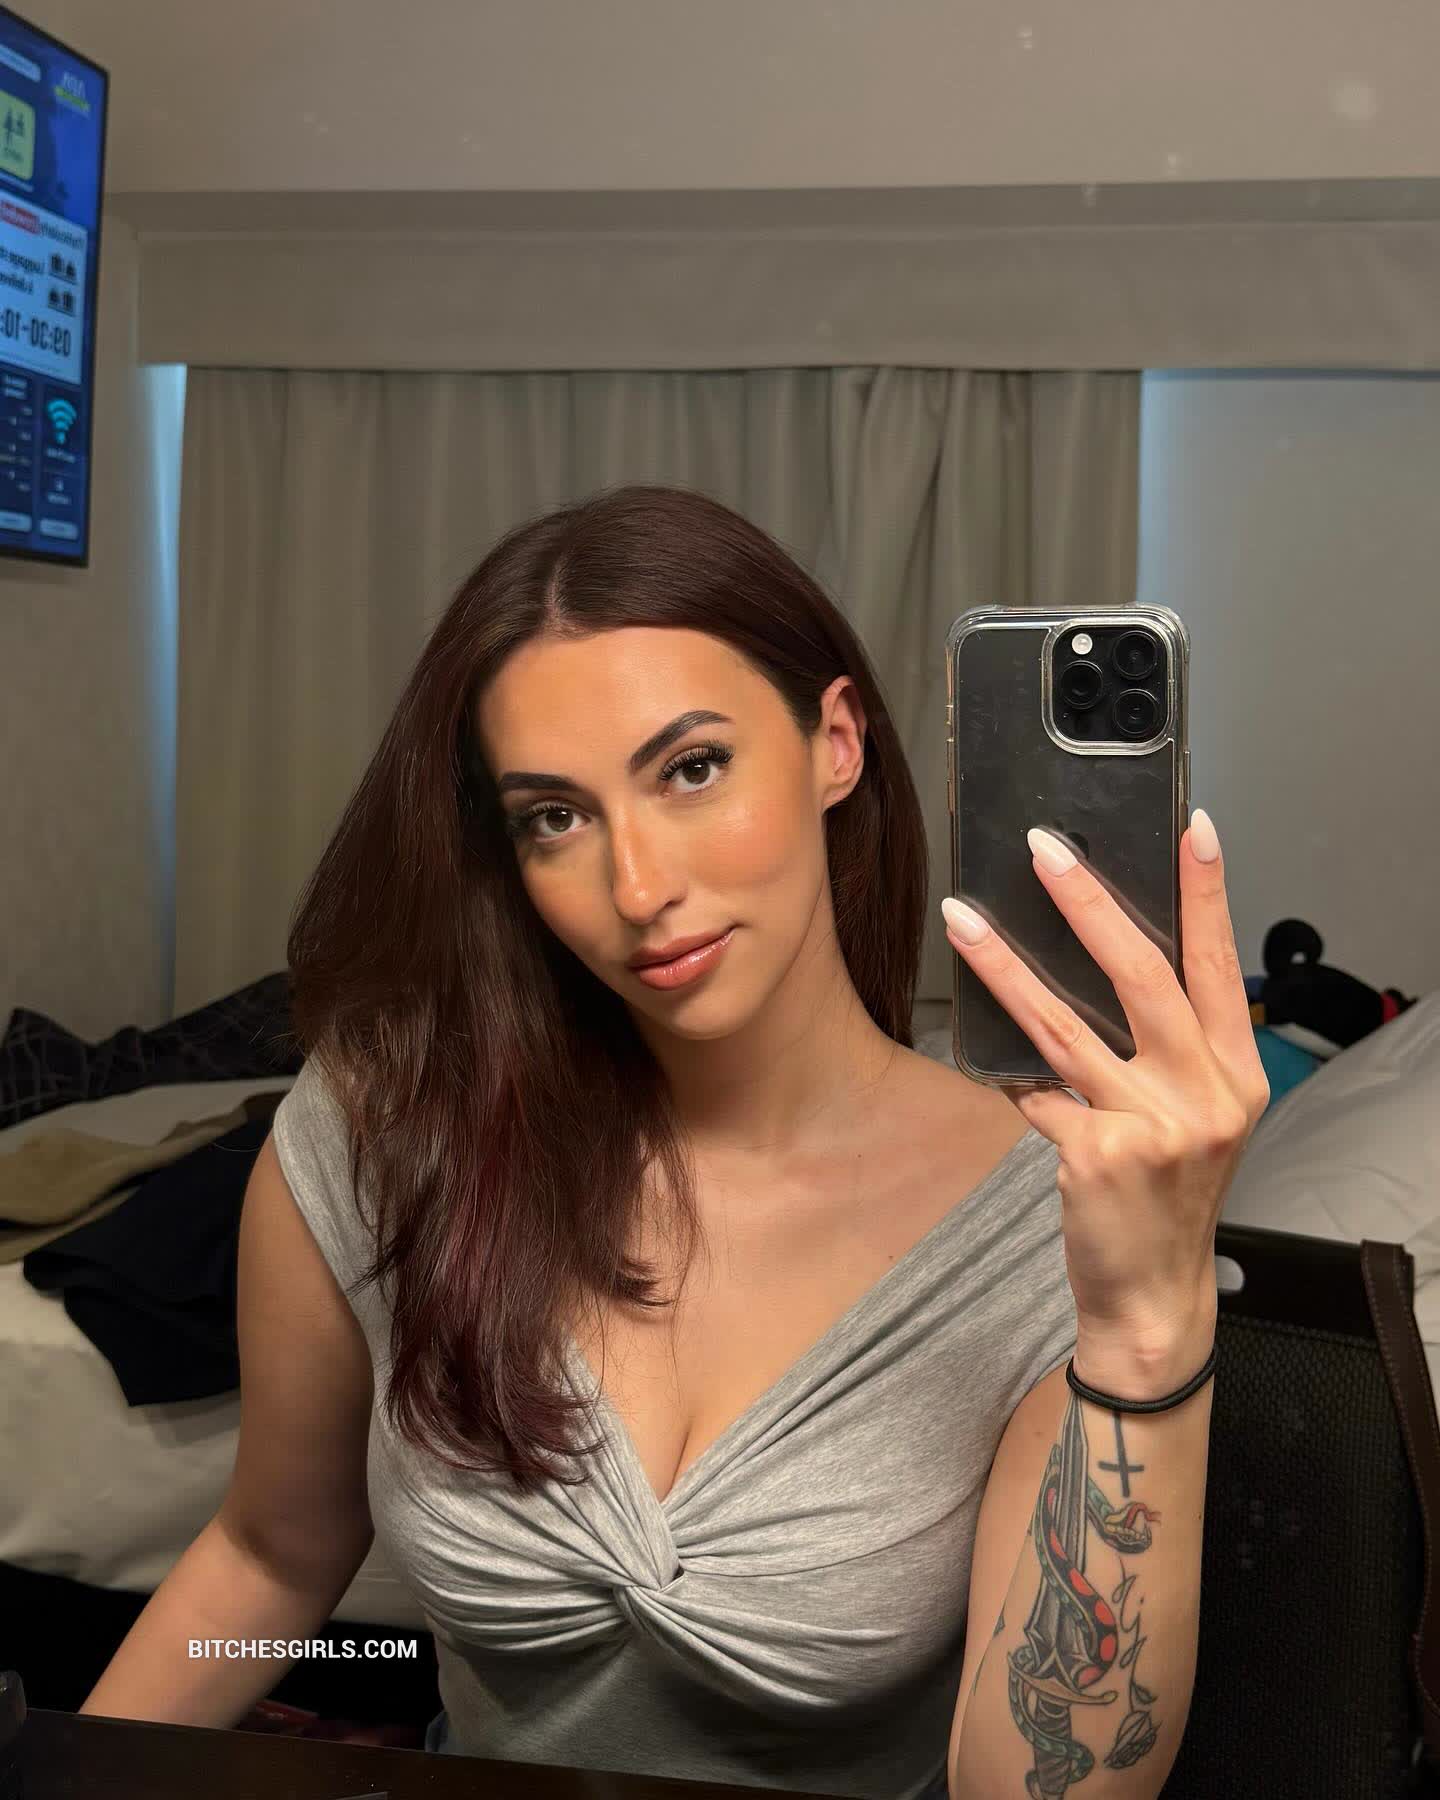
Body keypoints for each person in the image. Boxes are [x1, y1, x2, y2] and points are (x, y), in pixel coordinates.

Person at [80, 484, 1267, 1799]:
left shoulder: (1056, 1206)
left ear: (834, 743)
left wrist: (1148, 1324)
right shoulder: (384, 1130)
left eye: (692, 769)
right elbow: (269, 1560)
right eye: (555, 816)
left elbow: (1032, 1785)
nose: (638, 889)